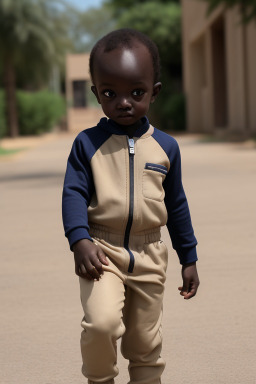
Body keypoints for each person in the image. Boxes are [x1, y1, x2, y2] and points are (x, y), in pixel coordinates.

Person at [62, 28, 200, 384]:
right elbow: (73, 193)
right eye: (110, 93)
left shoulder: (166, 148)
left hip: (150, 252)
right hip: (101, 252)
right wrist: (80, 240)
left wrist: (189, 256)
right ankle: (99, 380)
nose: (123, 102)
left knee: (144, 342)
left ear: (153, 93)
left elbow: (177, 204)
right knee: (102, 323)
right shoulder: (87, 144)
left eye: (136, 92)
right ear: (96, 94)